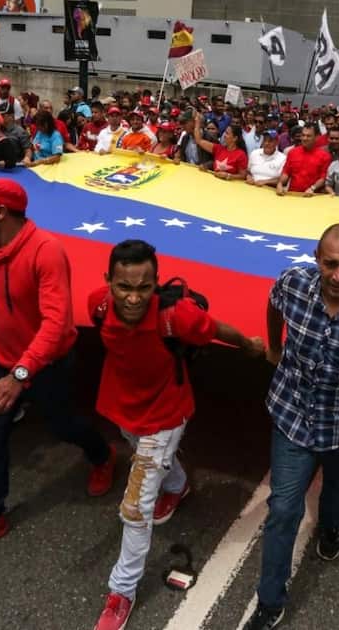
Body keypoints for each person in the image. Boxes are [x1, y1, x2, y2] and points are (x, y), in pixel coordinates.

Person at [88, 241, 266, 630]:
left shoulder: (177, 316)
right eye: (123, 287)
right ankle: (179, 484)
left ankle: (122, 591)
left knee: (135, 509)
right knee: (142, 458)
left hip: (164, 416)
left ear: (155, 283)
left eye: (144, 287)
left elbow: (217, 329)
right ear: (108, 283)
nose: (133, 297)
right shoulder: (97, 305)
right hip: (123, 409)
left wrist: (250, 345)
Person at [0, 178, 116, 558]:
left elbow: (55, 323)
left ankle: (102, 457)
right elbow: (2, 287)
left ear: (0, 212)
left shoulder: (46, 250)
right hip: (1, 359)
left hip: (45, 364)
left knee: (64, 426)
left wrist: (19, 376)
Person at [244, 224, 339, 630]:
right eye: (330, 263)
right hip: (292, 415)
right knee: (282, 510)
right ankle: (270, 600)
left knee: (337, 489)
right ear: (316, 257)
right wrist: (275, 346)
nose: (338, 276)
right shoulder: (291, 283)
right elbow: (274, 305)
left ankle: (332, 529)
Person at [278, 125, 332, 197]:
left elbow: (323, 178)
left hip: (313, 196)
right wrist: (280, 184)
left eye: (308, 136)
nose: (304, 138)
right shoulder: (292, 152)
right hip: (292, 195)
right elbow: (286, 173)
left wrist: (312, 188)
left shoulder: (325, 156)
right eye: (303, 135)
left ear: (316, 137)